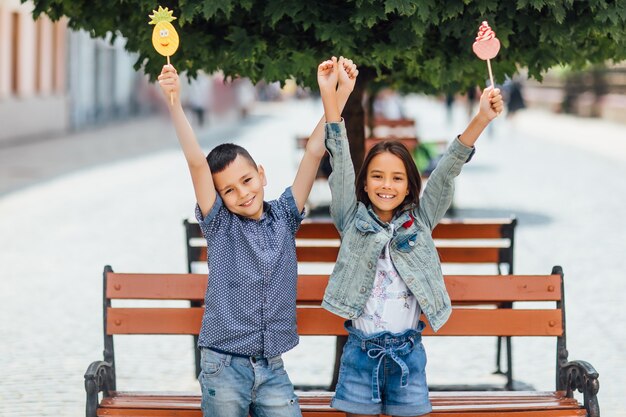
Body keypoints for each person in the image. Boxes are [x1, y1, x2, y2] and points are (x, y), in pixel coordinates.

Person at [157, 56, 358, 417]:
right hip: (224, 366)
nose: (243, 193)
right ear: (219, 199)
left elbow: (314, 152)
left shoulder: (284, 215)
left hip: (271, 368)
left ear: (262, 174)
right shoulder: (220, 226)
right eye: (229, 190)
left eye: (247, 181)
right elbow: (197, 163)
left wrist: (338, 93)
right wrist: (174, 101)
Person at [322, 86, 503, 417]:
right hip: (361, 356)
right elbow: (341, 162)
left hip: (409, 355)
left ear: (409, 186)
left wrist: (481, 118)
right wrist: (331, 98)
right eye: (377, 176)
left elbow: (447, 169)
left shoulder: (421, 220)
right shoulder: (351, 219)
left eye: (396, 178)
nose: (386, 185)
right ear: (364, 183)